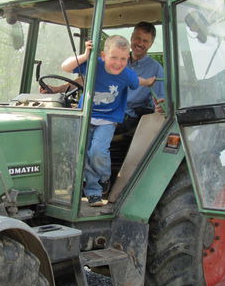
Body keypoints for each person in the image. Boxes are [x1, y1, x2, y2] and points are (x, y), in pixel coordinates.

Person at [61, 35, 155, 206]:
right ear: (103, 56)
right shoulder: (94, 65)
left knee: (97, 151)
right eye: (114, 57)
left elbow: (137, 81)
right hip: (87, 117)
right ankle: (93, 192)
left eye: (124, 59)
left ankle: (104, 178)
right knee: (86, 154)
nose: (118, 63)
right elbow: (66, 67)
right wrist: (84, 55)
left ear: (128, 59)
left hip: (108, 120)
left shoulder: (126, 74)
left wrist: (148, 82)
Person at [117, 21, 166, 135]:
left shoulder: (156, 68)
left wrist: (160, 106)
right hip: (109, 110)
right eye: (137, 38)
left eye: (145, 41)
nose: (140, 43)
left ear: (151, 44)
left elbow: (160, 101)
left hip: (131, 118)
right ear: (131, 37)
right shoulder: (118, 60)